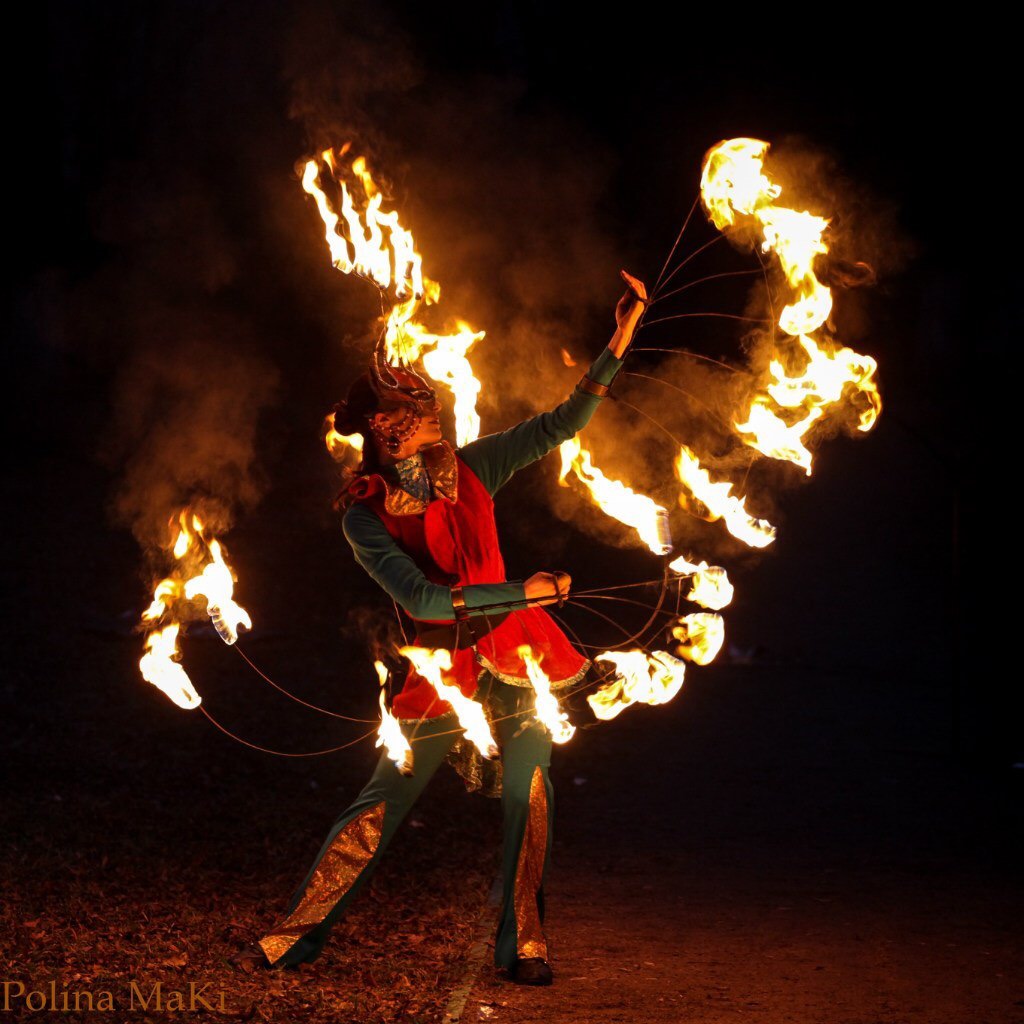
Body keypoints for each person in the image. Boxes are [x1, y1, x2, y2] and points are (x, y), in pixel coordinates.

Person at [237, 270, 647, 986]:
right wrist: (526, 589)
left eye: (430, 407)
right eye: (419, 410)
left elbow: (561, 423)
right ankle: (294, 936)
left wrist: (621, 337)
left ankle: (524, 943)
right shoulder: (365, 518)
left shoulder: (473, 467)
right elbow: (424, 600)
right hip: (440, 668)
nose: (435, 416)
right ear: (384, 427)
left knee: (530, 794)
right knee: (380, 804)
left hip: (520, 657)